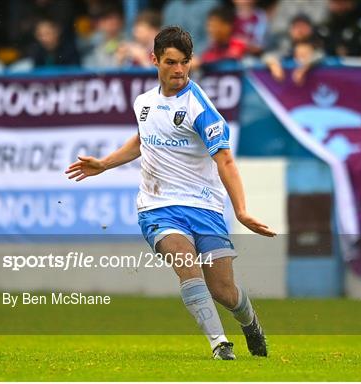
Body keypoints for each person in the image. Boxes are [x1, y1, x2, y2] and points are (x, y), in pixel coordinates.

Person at [65, 26, 274, 360]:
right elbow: (142, 138)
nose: (179, 70)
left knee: (223, 291)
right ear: (155, 60)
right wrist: (105, 164)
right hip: (157, 207)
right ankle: (220, 344)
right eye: (171, 62)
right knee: (186, 265)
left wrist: (242, 210)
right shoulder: (144, 103)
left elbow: (225, 159)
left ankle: (250, 323)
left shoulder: (200, 108)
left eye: (185, 62)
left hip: (204, 207)